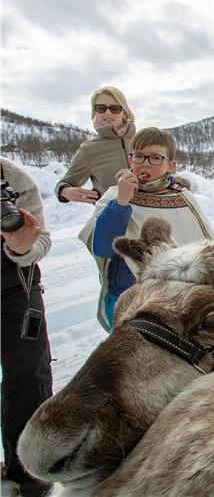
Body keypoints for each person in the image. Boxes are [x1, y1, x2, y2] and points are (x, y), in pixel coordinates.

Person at [79, 127, 214, 331]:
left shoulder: (183, 198)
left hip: (177, 298)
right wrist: (121, 203)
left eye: (155, 158)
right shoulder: (115, 196)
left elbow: (205, 248)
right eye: (139, 156)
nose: (145, 163)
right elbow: (103, 248)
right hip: (127, 297)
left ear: (170, 165)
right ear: (130, 160)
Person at [0, 157, 53, 497]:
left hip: (14, 281)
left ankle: (31, 473)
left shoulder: (14, 177)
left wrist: (22, 248)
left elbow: (42, 240)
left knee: (30, 374)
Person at [55, 86, 136, 204]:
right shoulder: (89, 149)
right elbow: (65, 183)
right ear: (94, 112)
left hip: (148, 218)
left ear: (125, 112)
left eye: (115, 108)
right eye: (101, 108)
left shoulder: (143, 141)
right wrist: (64, 191)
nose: (108, 113)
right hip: (112, 218)